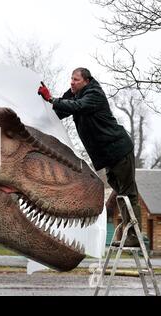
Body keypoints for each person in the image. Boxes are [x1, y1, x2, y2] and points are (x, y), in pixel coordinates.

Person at [37, 68, 142, 247]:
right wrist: (40, 112)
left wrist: (51, 99)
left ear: (86, 81)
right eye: (71, 79)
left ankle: (134, 237)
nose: (71, 82)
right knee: (122, 195)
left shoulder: (94, 94)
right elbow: (59, 112)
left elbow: (77, 107)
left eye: (76, 79)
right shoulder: (76, 95)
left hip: (119, 150)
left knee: (128, 193)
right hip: (108, 156)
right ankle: (130, 235)